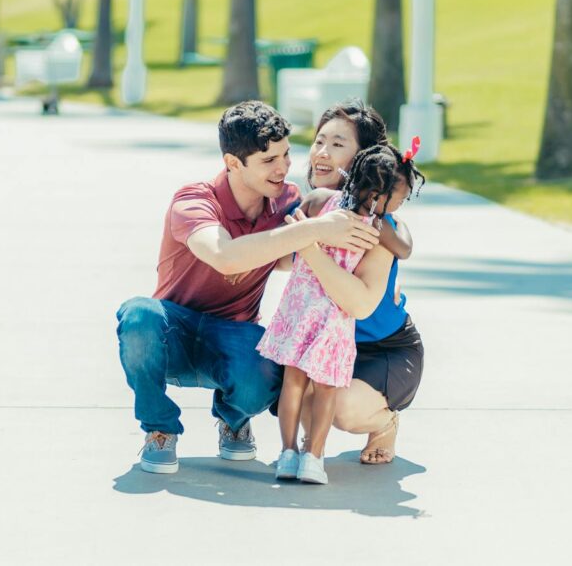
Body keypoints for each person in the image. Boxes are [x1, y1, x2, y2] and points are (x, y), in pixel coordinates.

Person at [116, 100, 382, 474]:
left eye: (286, 155)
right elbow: (225, 256)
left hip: (234, 337)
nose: (283, 168)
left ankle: (234, 419)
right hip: (173, 333)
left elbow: (314, 254)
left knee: (275, 365)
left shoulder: (288, 202)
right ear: (233, 163)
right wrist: (315, 229)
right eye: (268, 160)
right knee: (138, 313)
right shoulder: (193, 200)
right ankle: (159, 429)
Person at [258, 143, 419, 484]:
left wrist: (307, 241)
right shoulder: (371, 224)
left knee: (302, 386)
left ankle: (295, 454)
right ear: (378, 193)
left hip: (362, 338)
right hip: (330, 318)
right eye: (401, 199)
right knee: (314, 387)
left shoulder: (357, 217)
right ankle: (306, 456)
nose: (324, 152)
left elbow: (295, 231)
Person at [301, 99, 427, 465]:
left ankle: (385, 422)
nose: (322, 153)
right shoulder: (312, 206)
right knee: (283, 386)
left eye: (338, 144)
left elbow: (400, 244)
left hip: (383, 347)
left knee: (342, 408)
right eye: (319, 140)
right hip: (329, 341)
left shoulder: (378, 224)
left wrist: (309, 245)